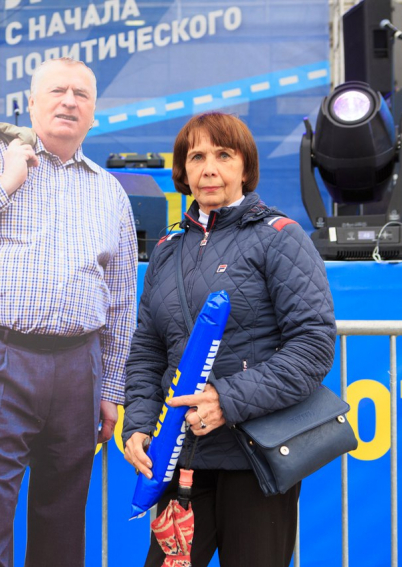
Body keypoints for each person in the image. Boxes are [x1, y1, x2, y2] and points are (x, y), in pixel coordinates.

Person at [0, 57, 137, 567]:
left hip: (79, 368)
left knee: (62, 532)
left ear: (94, 112)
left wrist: (110, 390)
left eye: (81, 95)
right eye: (57, 91)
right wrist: (5, 183)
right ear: (30, 103)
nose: (69, 102)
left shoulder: (109, 190)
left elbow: (122, 300)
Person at [123, 112, 336, 567]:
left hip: (254, 461)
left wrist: (225, 399)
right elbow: (146, 350)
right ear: (182, 169)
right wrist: (139, 425)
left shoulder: (280, 238)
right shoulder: (166, 250)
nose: (209, 168)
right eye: (196, 156)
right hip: (182, 462)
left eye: (223, 154)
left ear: (245, 166)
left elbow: (312, 347)